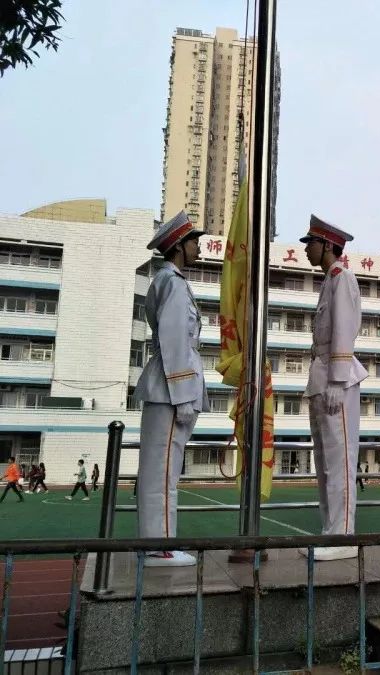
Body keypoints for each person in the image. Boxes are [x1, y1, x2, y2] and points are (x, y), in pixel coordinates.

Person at [133, 210, 209, 567]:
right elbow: (176, 341)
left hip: (164, 388)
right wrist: (184, 397)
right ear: (178, 246)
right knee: (163, 471)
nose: (198, 247)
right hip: (169, 391)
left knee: (159, 470)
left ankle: (158, 544)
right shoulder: (174, 283)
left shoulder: (166, 280)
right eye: (194, 241)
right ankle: (160, 548)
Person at [300, 215, 368, 561]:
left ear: (328, 245)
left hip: (335, 378)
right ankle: (331, 531)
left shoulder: (342, 279)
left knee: (339, 460)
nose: (307, 249)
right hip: (322, 375)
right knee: (325, 461)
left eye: (310, 243)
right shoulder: (329, 281)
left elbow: (345, 329)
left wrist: (338, 381)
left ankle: (342, 535)